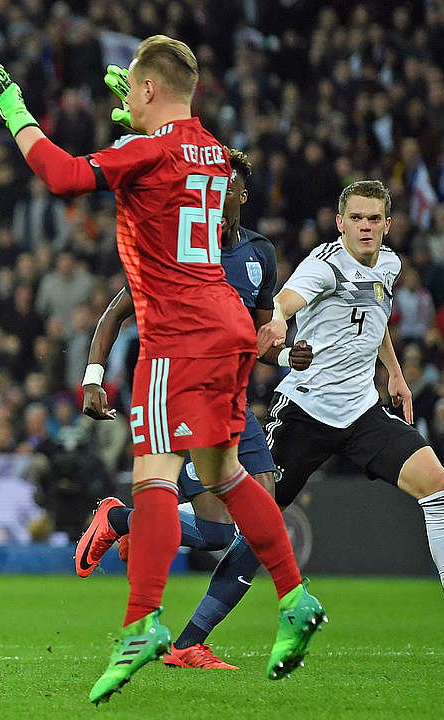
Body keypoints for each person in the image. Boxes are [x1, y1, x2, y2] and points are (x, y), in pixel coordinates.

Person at [0, 37, 323, 705]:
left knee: (156, 474)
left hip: (174, 330)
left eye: (132, 91)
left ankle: (140, 624)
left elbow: (65, 176)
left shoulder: (150, 149)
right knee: (227, 472)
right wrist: (136, 115)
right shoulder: (216, 154)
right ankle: (296, 597)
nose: (125, 100)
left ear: (151, 92)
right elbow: (169, 162)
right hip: (228, 324)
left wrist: (13, 108)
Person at [75, 148, 314, 669]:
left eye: (226, 182)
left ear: (241, 194)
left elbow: (260, 336)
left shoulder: (260, 254)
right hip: (178, 392)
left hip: (232, 398)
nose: (215, 188)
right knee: (228, 518)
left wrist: (285, 353)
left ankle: (183, 633)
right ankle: (131, 530)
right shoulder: (179, 246)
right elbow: (115, 315)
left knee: (243, 526)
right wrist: (94, 379)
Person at [256, 179, 444, 651]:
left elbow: (376, 316)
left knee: (440, 486)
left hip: (361, 412)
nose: (365, 227)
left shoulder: (389, 263)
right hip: (305, 413)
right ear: (340, 222)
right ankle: (128, 524)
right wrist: (280, 319)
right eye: (357, 218)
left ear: (388, 225)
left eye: (374, 219)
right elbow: (291, 298)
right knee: (240, 519)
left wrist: (394, 374)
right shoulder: (324, 266)